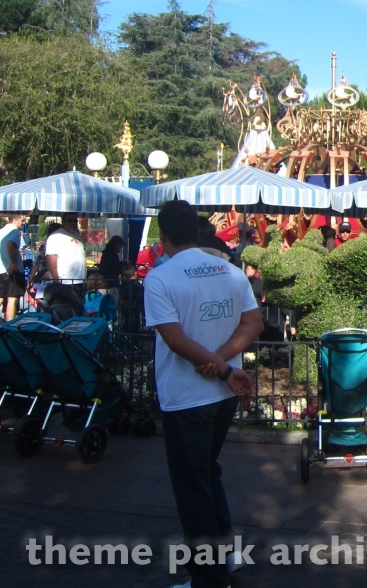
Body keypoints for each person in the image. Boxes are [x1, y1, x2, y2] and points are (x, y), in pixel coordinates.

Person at [144, 200, 262, 588]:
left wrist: (220, 365)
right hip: (223, 394)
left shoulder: (160, 278)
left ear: (162, 238)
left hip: (187, 397)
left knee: (192, 485)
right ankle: (226, 555)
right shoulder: (230, 272)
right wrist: (225, 363)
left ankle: (206, 578)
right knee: (207, 473)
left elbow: (174, 338)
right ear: (198, 232)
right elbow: (253, 322)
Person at [0, 213, 26, 320]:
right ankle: (9, 328)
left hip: (0, 271)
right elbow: (10, 245)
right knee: (12, 299)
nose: (23, 223)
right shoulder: (15, 231)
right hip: (12, 270)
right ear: (15, 220)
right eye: (22, 221)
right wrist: (13, 262)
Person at [46, 214, 87, 293]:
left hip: (80, 281)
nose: (73, 223)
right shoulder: (55, 236)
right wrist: (56, 279)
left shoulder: (77, 235)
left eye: (75, 221)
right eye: (69, 221)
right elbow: (51, 258)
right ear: (63, 221)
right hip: (65, 282)